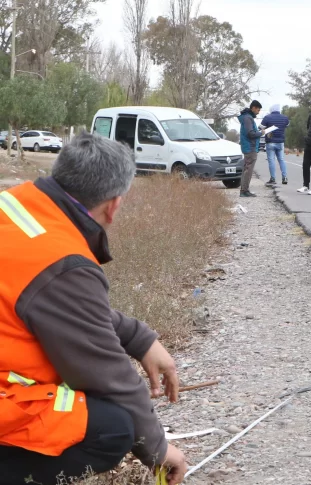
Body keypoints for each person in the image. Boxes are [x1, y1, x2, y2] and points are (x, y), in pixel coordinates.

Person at [0, 133, 186, 485]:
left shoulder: (16, 205)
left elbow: (57, 306)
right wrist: (158, 450)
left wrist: (139, 338)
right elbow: (108, 377)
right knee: (112, 428)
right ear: (114, 204)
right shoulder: (60, 259)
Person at [238, 100, 264, 198]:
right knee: (248, 170)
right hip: (250, 147)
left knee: (247, 169)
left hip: (249, 146)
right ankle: (244, 190)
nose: (258, 112)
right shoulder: (248, 118)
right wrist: (261, 133)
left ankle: (245, 190)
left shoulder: (247, 117)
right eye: (258, 109)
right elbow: (251, 133)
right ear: (253, 108)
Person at [261, 104, 290, 186]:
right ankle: (284, 177)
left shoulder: (267, 117)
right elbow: (287, 125)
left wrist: (267, 129)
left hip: (270, 141)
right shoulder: (285, 117)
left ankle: (273, 178)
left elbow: (260, 127)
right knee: (281, 160)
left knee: (271, 160)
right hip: (280, 142)